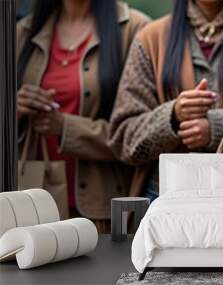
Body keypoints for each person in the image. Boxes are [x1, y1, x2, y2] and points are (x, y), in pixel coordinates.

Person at [108, 0, 223, 201]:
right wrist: (173, 116)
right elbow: (124, 137)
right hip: (167, 197)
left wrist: (217, 128)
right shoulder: (151, 38)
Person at [16, 0, 150, 232]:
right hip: (31, 210)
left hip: (101, 216)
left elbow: (143, 134)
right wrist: (15, 110)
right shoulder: (23, 32)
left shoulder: (134, 28)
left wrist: (66, 128)